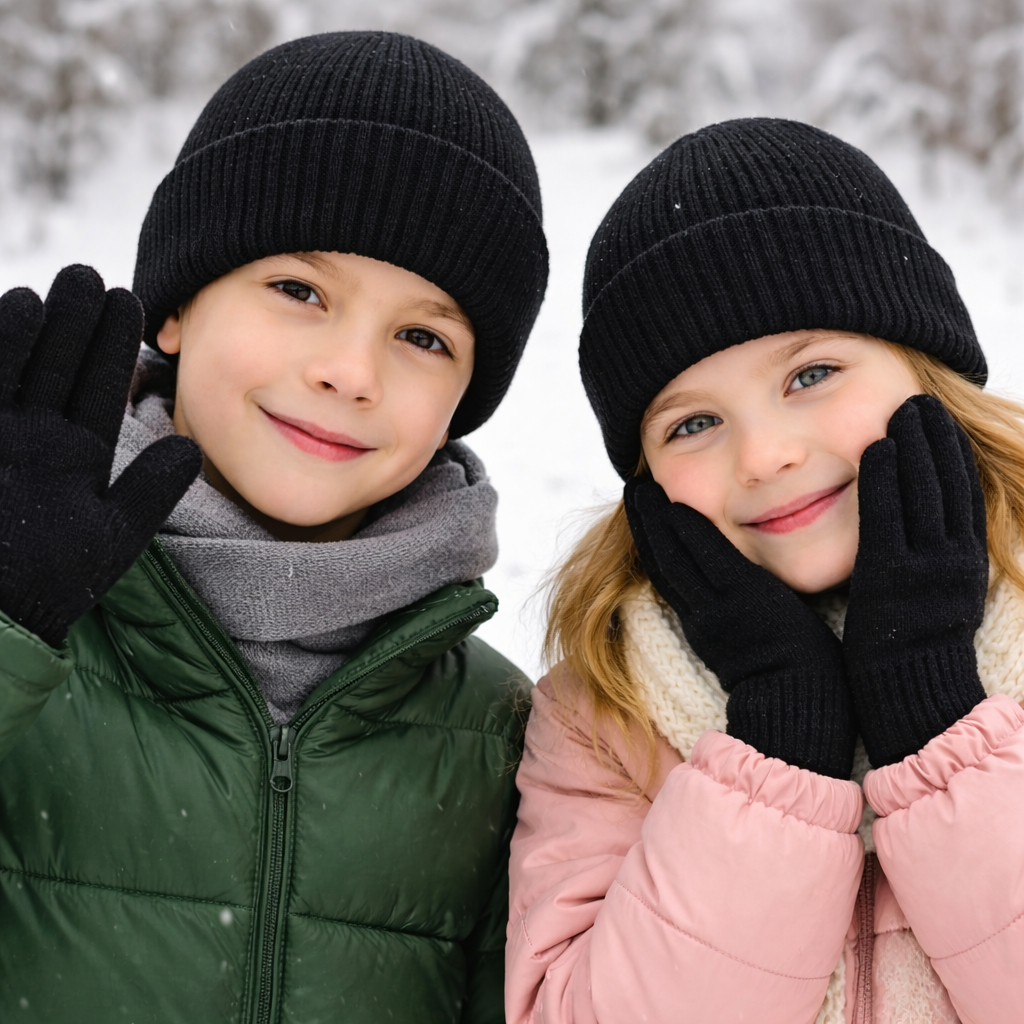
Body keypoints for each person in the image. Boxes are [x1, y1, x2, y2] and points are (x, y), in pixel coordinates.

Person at [0, 32, 547, 1022]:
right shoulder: (22, 626)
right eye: (299, 290)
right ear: (173, 311)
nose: (351, 370)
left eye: (423, 336)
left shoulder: (504, 736)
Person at [506, 118, 1024, 1024]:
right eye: (693, 424)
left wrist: (935, 712)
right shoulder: (605, 715)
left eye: (811, 373)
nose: (766, 456)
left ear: (925, 373)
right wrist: (775, 750)